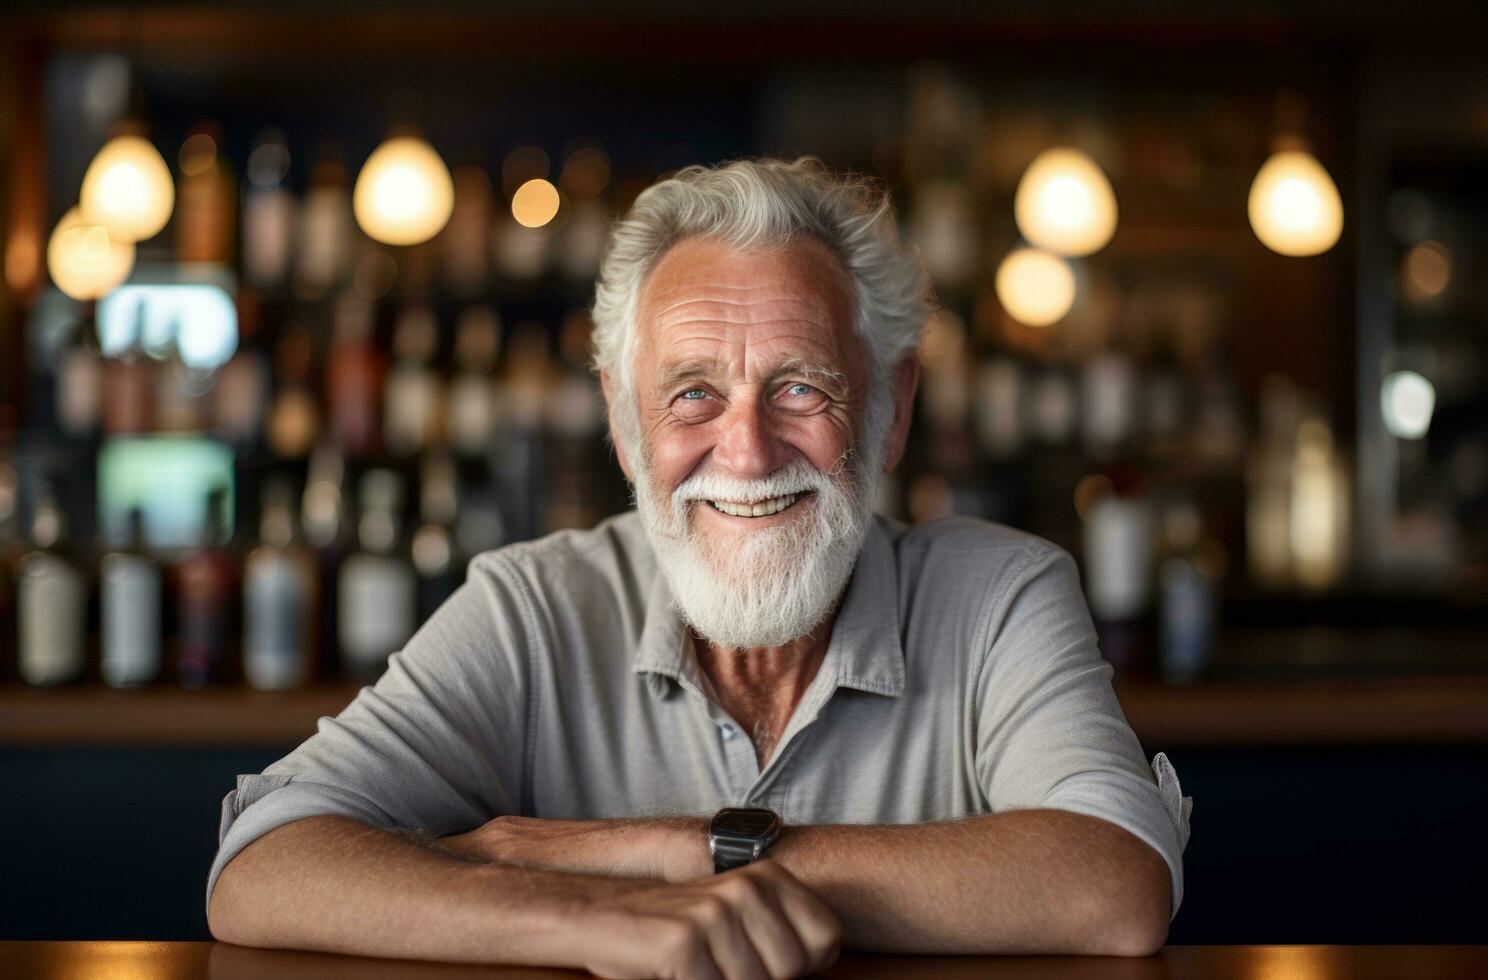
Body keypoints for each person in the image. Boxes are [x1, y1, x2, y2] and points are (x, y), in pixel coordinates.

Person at [206, 157, 1192, 978]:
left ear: (889, 410)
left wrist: (675, 849)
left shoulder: (1001, 595)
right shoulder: (534, 605)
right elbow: (262, 865)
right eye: (692, 394)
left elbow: (1112, 881)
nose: (749, 452)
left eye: (801, 386)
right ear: (626, 428)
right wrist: (591, 916)